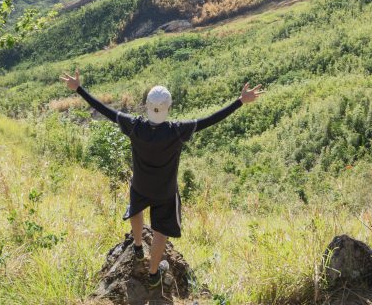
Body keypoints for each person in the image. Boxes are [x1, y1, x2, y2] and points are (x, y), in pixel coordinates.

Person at [60, 68, 264, 288]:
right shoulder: (177, 131)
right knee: (160, 232)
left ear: (147, 106)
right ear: (169, 108)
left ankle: (138, 247)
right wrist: (240, 101)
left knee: (135, 207)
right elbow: (210, 120)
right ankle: (153, 274)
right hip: (165, 192)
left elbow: (104, 109)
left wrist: (79, 89)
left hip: (140, 185)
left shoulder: (134, 126)